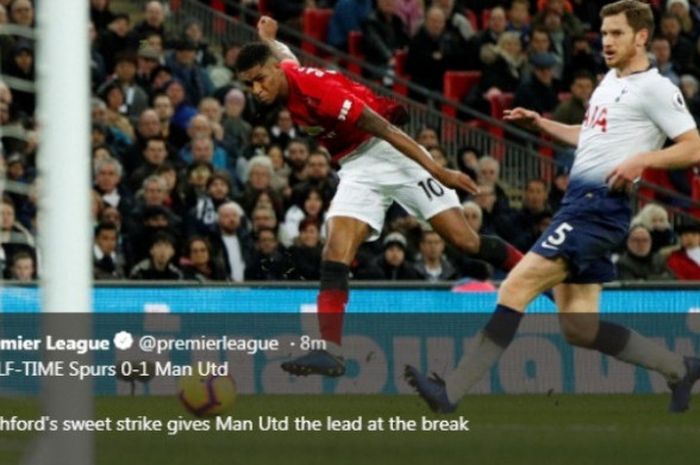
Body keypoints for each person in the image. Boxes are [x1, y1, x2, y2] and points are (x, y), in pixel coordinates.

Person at [406, 0, 700, 414]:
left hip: (597, 210)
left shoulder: (656, 88)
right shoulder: (609, 82)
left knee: (513, 288)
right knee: (580, 328)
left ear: (642, 36)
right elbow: (591, 137)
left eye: (617, 33)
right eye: (604, 34)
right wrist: (542, 124)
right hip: (580, 206)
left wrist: (642, 160)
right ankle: (679, 367)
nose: (607, 41)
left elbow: (693, 146)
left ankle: (450, 392)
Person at [237, 16, 526, 377]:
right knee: (335, 248)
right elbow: (286, 58)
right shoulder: (286, 76)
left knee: (464, 241)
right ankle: (328, 350)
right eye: (249, 85)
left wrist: (439, 170)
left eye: (260, 79)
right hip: (356, 166)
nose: (257, 90)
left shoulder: (318, 93)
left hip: (391, 153)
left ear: (274, 72)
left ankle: (534, 273)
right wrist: (269, 38)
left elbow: (387, 129)